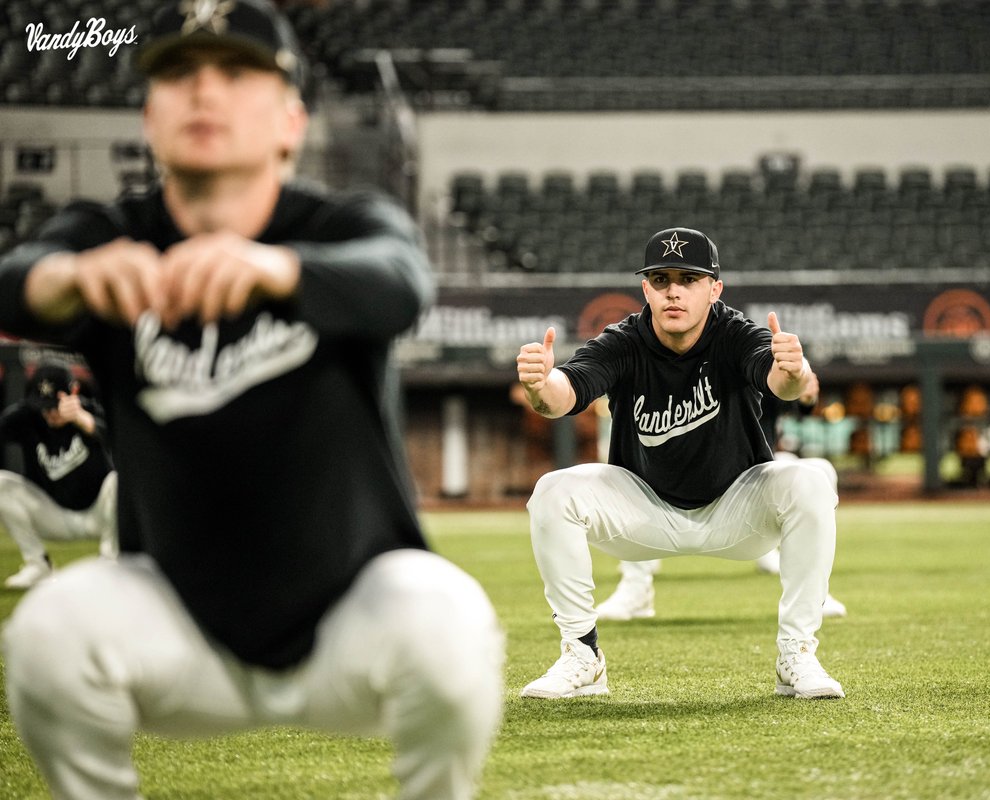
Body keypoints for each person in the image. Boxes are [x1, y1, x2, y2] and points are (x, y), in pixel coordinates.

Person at [0, 3, 502, 799]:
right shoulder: (110, 235)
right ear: (149, 117)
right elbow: (15, 281)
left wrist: (279, 269)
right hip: (176, 628)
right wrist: (63, 277)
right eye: (178, 74)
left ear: (290, 121)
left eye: (236, 73)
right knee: (50, 632)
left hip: (351, 625)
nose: (205, 91)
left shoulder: (339, 224)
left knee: (448, 621)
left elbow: (402, 282)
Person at [515, 226, 844, 700]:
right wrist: (540, 385)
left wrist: (794, 371)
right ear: (645, 289)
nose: (674, 291)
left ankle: (797, 654)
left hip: (736, 509)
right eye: (661, 279)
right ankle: (582, 656)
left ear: (714, 289)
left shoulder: (734, 333)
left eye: (689, 279)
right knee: (552, 490)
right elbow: (565, 394)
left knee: (809, 480)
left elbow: (780, 381)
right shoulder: (624, 341)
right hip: (645, 513)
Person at [595, 375, 849, 621]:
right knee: (636, 477)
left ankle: (812, 595)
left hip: (752, 477)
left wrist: (803, 390)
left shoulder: (755, 359)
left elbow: (792, 398)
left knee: (818, 472)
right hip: (678, 476)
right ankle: (636, 587)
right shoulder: (681, 365)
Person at [0, 362, 117, 589]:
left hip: (98, 514)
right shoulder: (26, 417)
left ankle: (110, 563)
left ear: (72, 394)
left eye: (55, 405)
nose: (50, 413)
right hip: (53, 516)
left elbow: (126, 442)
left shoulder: (90, 411)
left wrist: (83, 420)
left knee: (118, 481)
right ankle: (38, 565)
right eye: (43, 406)